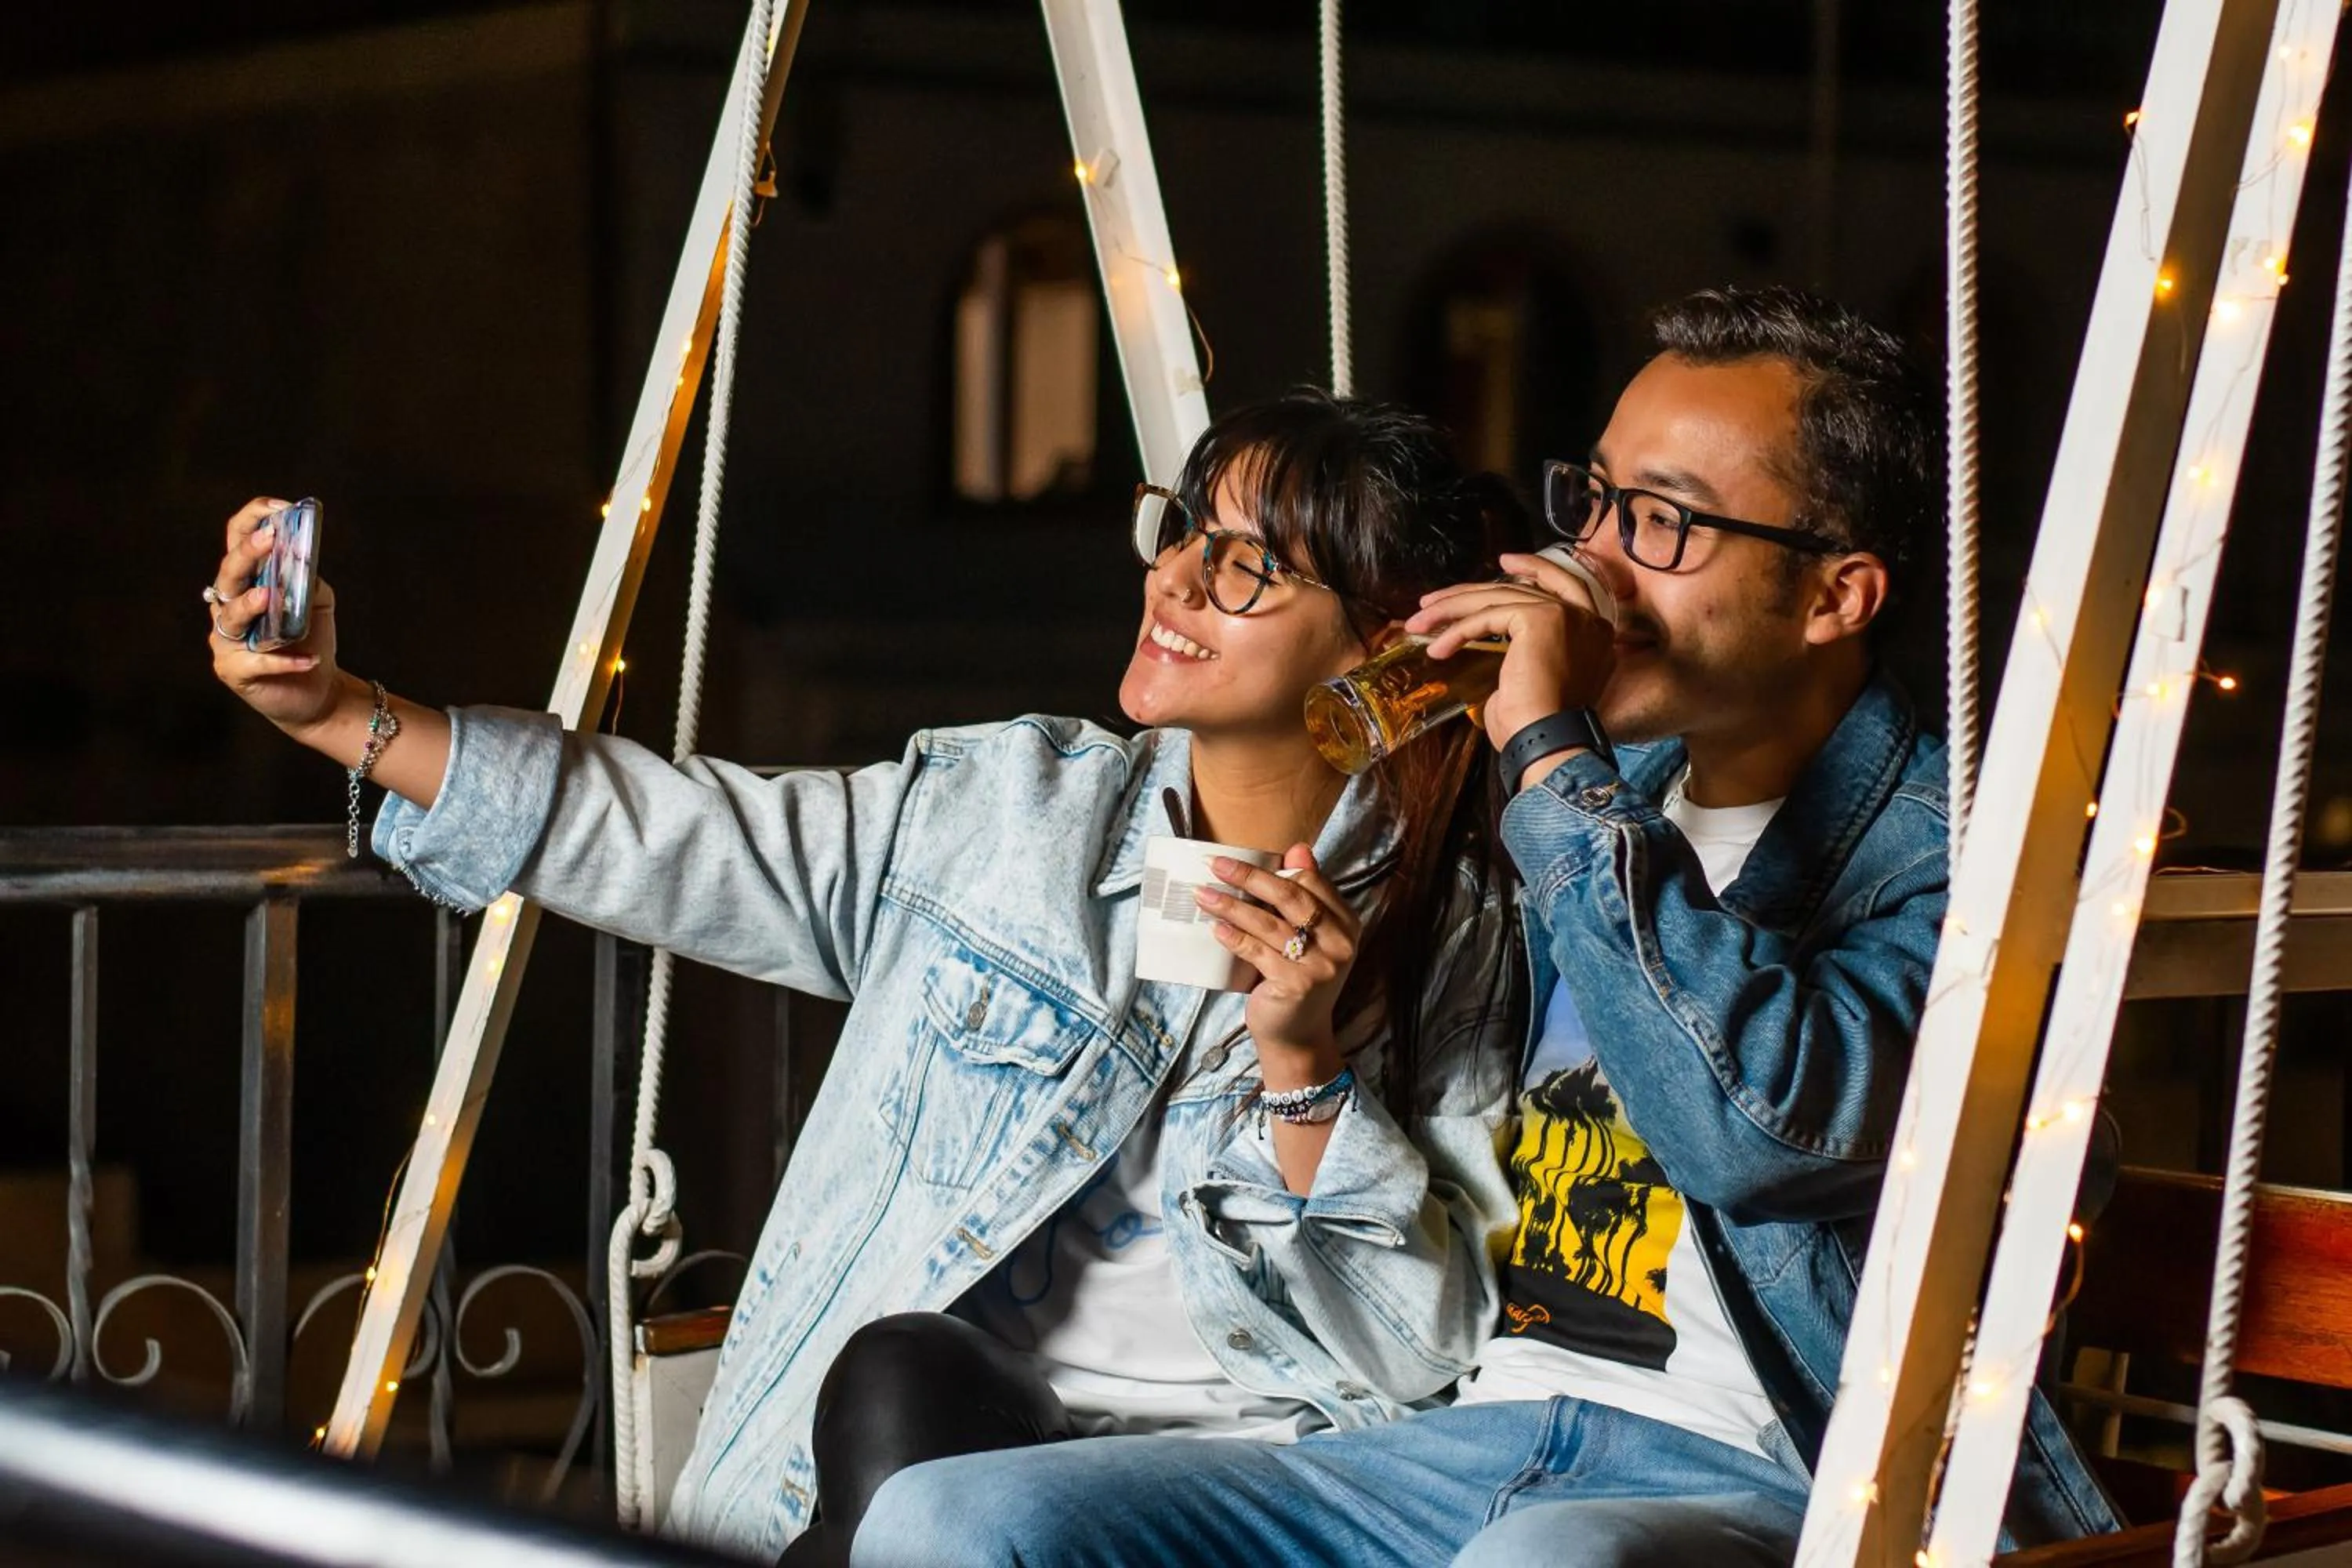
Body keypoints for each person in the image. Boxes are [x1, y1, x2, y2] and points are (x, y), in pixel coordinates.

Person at [845, 286, 2123, 1566]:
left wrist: (1553, 760)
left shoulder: (1963, 860)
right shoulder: (1601, 793)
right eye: (1601, 501)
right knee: (949, 1516)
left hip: (1776, 1477)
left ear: (1835, 597)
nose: (1598, 566)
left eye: (1665, 523)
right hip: (1471, 1438)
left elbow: (1754, 1133)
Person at [205, 390, 1534, 1562]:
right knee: (901, 1383)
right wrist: (342, 714)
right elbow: (673, 834)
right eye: (1184, 527)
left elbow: (1413, 1352)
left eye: (1247, 569)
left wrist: (1304, 1068)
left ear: (1377, 650)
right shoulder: (1005, 822)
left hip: (1221, 1498)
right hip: (922, 1452)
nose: (1176, 582)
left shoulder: (1452, 939)